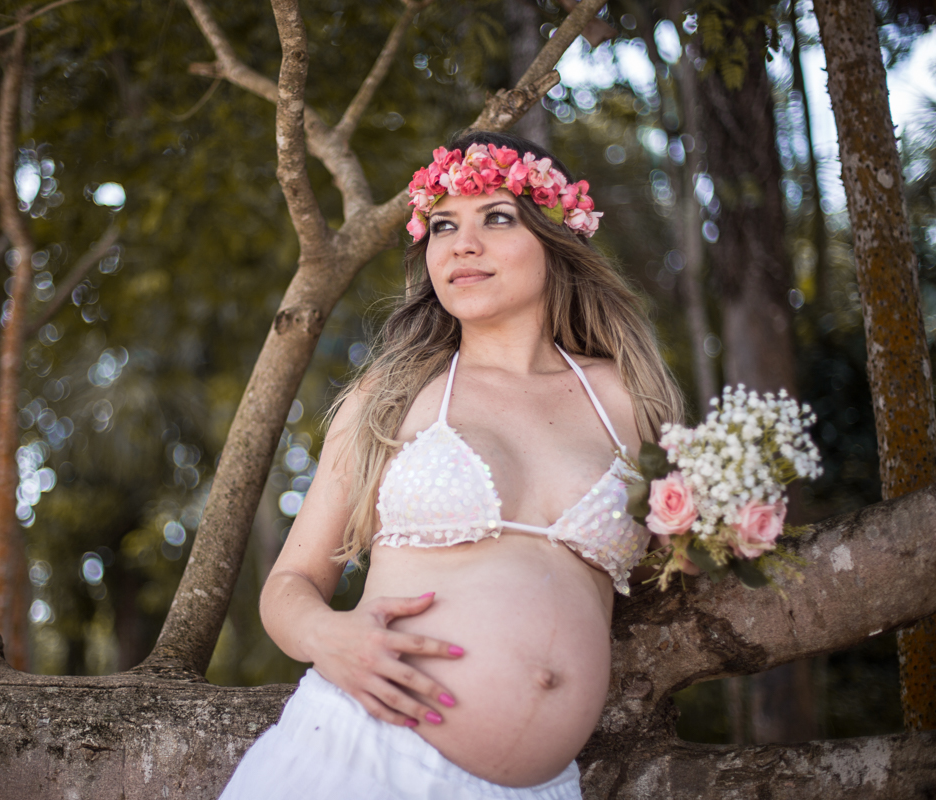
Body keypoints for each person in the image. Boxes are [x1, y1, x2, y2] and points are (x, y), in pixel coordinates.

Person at [218, 131, 685, 800]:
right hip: (361, 759)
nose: (463, 244)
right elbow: (290, 583)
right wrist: (329, 636)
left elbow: (668, 566)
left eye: (496, 217)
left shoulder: (627, 400)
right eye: (443, 225)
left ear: (557, 239)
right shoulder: (392, 395)